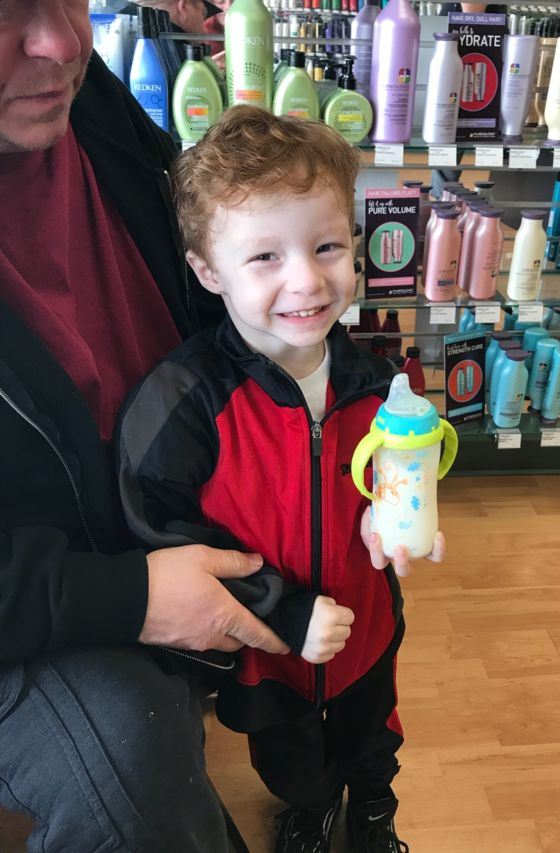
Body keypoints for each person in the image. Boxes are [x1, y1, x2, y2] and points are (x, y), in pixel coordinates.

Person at [117, 105, 446, 853]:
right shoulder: (183, 401)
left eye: (327, 245)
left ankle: (373, 812)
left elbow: (396, 472)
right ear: (208, 271)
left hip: (366, 622)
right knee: (290, 756)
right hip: (266, 644)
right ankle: (313, 806)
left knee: (374, 733)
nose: (307, 278)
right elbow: (159, 533)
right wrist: (283, 608)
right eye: (266, 256)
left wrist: (392, 512)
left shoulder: (378, 382)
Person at [0, 3, 289, 851]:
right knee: (132, 769)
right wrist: (130, 599)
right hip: (38, 593)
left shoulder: (83, 98)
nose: (61, 42)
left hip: (162, 512)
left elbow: (207, 276)